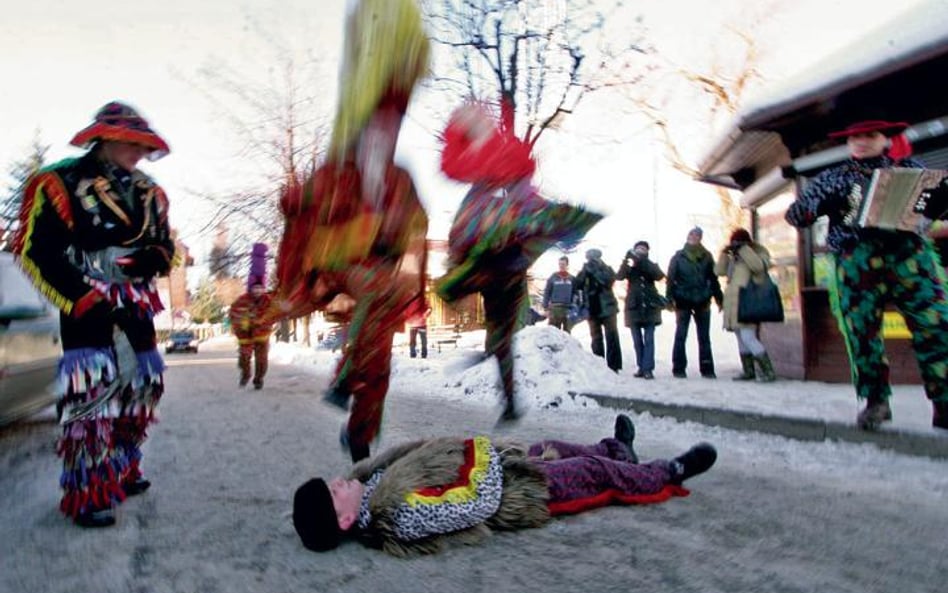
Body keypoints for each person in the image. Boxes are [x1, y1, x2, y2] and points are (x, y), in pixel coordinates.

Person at [266, 0, 430, 462]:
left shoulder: (401, 179)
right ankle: (343, 378)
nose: (386, 130)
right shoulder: (334, 173)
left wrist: (409, 257)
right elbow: (299, 210)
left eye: (393, 123)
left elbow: (418, 228)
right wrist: (293, 202)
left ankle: (360, 433)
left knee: (380, 361)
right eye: (378, 121)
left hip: (377, 287)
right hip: (333, 272)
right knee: (378, 289)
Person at [11, 101, 175, 527]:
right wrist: (81, 296)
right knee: (91, 399)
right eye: (132, 143)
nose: (139, 152)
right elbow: (35, 251)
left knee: (144, 387)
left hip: (136, 305)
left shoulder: (149, 192)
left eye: (144, 145)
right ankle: (88, 492)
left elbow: (165, 246)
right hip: (87, 303)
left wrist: (153, 258)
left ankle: (121, 468)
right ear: (105, 139)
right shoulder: (61, 181)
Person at [292, 414, 717, 556]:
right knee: (589, 472)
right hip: (519, 493)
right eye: (333, 492)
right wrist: (485, 453)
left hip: (504, 465)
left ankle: (619, 449)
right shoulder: (398, 514)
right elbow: (475, 502)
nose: (337, 481)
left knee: (553, 445)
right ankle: (667, 472)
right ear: (346, 520)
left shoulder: (370, 482)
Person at [436, 101, 602, 423]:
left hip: (503, 252)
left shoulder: (498, 161)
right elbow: (454, 168)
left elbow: (520, 170)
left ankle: (468, 286)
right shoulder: (483, 169)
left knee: (498, 325)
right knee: (498, 333)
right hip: (499, 252)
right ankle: (506, 390)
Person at [785, 119, 948, 430]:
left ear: (885, 140)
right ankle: (876, 402)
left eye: (869, 136)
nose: (860, 141)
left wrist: (939, 202)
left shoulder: (911, 168)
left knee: (935, 327)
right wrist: (822, 205)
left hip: (909, 257)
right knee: (862, 334)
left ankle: (945, 403)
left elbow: (939, 207)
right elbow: (796, 214)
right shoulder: (834, 177)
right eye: (855, 137)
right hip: (856, 260)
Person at [714, 229, 777, 382]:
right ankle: (748, 370)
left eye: (738, 242)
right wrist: (724, 254)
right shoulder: (733, 258)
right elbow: (719, 271)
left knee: (749, 337)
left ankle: (768, 371)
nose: (736, 245)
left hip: (748, 304)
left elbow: (758, 267)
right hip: (733, 305)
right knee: (741, 338)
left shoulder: (757, 253)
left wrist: (744, 250)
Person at [666, 227, 723, 379]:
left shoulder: (707, 256)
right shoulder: (678, 257)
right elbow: (670, 280)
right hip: (683, 300)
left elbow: (713, 278)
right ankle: (678, 368)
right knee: (681, 335)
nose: (693, 237)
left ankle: (707, 369)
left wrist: (719, 299)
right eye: (691, 234)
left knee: (704, 337)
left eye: (697, 235)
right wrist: (669, 299)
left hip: (703, 300)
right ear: (687, 236)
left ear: (700, 238)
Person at [616, 241, 666, 379]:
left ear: (647, 251)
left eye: (643, 249)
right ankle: (641, 367)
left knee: (649, 339)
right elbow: (619, 276)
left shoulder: (650, 265)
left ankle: (648, 368)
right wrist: (626, 261)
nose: (640, 251)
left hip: (650, 306)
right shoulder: (631, 266)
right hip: (634, 306)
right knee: (637, 340)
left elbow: (659, 275)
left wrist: (642, 261)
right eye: (638, 249)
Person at [229, 243, 274, 389]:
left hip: (262, 334)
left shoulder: (268, 300)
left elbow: (273, 313)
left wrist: (262, 321)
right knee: (244, 358)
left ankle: (258, 379)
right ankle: (245, 373)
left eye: (260, 288)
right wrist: (243, 322)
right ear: (250, 288)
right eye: (255, 288)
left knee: (261, 360)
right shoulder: (242, 300)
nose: (258, 291)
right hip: (245, 334)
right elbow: (234, 312)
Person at [576, 249, 622, 372]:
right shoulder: (585, 269)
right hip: (592, 308)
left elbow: (608, 282)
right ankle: (599, 364)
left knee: (611, 337)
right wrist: (584, 271)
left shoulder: (607, 269)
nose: (592, 261)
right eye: (590, 259)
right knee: (596, 338)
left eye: (594, 258)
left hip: (608, 308)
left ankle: (614, 366)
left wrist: (595, 271)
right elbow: (577, 284)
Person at [542, 255, 578, 333]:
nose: (561, 266)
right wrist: (545, 308)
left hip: (568, 309)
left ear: (567, 265)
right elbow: (547, 292)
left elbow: (575, 294)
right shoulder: (553, 277)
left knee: (567, 333)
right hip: (555, 308)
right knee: (553, 332)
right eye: (560, 264)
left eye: (563, 264)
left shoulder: (572, 279)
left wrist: (575, 307)